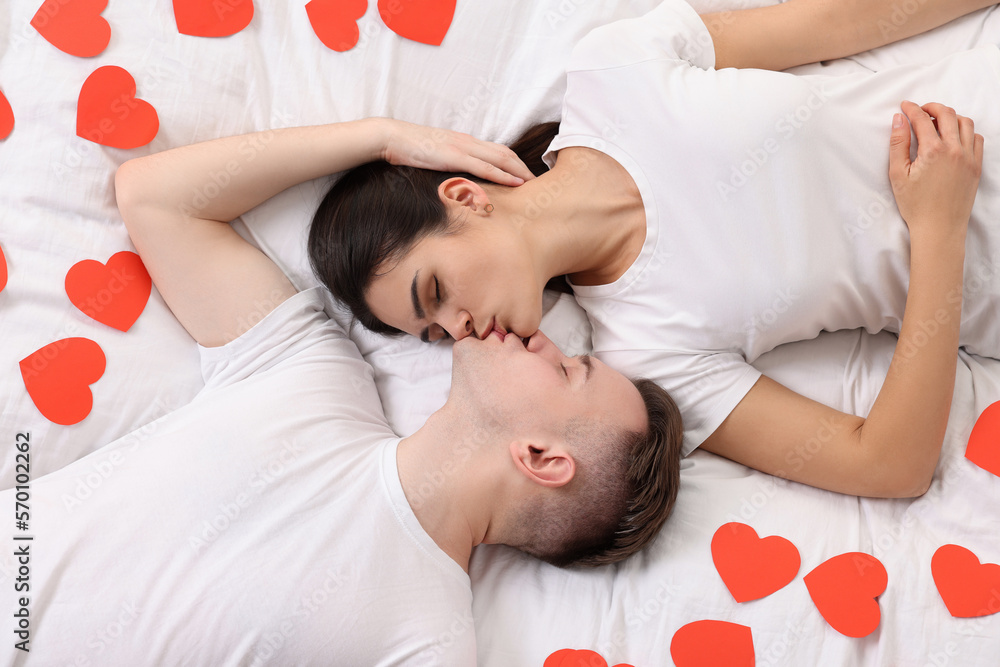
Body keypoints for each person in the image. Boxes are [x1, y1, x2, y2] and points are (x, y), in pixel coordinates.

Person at [0, 129, 680, 664]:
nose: (545, 341)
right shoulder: (310, 374)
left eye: (566, 371)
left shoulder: (425, 645)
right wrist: (383, 138)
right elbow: (155, 196)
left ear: (540, 455)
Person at [308, 0, 996, 499]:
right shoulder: (646, 354)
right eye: (433, 334)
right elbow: (887, 466)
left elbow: (839, 22)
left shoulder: (614, 70)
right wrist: (938, 228)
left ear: (463, 197)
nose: (459, 332)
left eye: (435, 293)